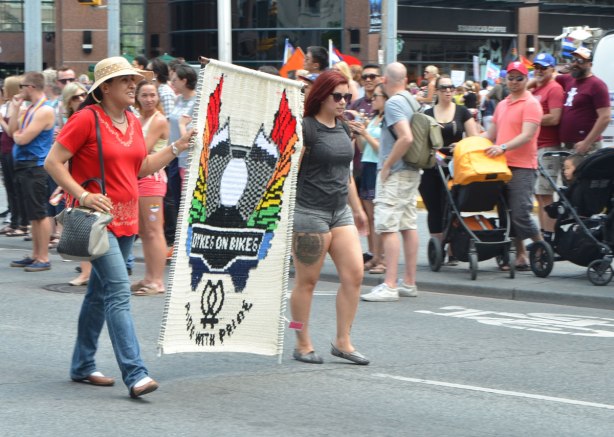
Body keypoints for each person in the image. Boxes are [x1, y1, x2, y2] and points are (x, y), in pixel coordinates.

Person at [44, 56, 194, 398]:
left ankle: (82, 365)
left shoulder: (129, 119)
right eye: (125, 80)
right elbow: (52, 162)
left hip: (127, 220)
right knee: (117, 292)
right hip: (97, 222)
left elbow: (139, 168)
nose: (134, 85)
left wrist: (176, 148)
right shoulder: (86, 119)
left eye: (134, 80)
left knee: (98, 294)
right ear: (105, 88)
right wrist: (82, 194)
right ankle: (136, 373)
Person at [291, 70, 369, 365]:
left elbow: (345, 174)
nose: (343, 101)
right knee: (306, 283)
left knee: (355, 275)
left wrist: (359, 209)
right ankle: (300, 340)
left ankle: (343, 341)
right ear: (322, 95)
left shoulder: (345, 128)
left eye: (347, 96)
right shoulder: (306, 128)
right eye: (338, 96)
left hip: (340, 212)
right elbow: (289, 171)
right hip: (309, 213)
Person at [360, 62, 421, 302]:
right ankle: (408, 282)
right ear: (405, 79)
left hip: (395, 171)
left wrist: (386, 166)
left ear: (384, 80)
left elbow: (406, 137)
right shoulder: (411, 100)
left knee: (387, 226)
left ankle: (390, 284)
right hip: (411, 170)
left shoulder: (394, 103)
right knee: (408, 224)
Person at [483, 61, 544, 271]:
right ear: (505, 79)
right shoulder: (502, 104)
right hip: (501, 166)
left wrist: (503, 147)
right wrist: (467, 142)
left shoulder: (532, 104)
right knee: (506, 214)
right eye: (511, 78)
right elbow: (490, 134)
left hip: (523, 166)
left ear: (527, 80)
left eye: (519, 78)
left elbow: (527, 135)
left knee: (520, 212)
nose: (515, 82)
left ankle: (540, 247)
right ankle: (520, 254)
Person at [419, 75, 479, 265]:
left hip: (455, 167)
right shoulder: (427, 114)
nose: (447, 91)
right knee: (434, 207)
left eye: (451, 88)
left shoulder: (462, 112)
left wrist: (460, 145)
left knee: (453, 206)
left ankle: (453, 248)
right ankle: (437, 248)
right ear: (436, 91)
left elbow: (474, 139)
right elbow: (421, 142)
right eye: (443, 88)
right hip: (432, 167)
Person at [7, 72, 55, 272]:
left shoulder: (44, 110)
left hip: (35, 166)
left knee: (39, 213)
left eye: (22, 86)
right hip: (25, 165)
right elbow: (12, 132)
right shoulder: (30, 109)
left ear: (31, 87)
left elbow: (22, 138)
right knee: (33, 214)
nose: (20, 90)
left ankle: (43, 257)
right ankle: (36, 254)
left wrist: (19, 135)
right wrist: (17, 110)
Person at [131, 80, 169, 296]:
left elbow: (141, 150)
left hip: (151, 180)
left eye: (152, 95)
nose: (149, 99)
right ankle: (149, 276)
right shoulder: (138, 118)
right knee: (145, 232)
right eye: (144, 95)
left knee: (154, 231)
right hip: (139, 178)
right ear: (137, 97)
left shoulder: (158, 120)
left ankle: (157, 281)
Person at [349, 83, 387, 274]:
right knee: (371, 217)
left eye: (377, 97)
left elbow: (382, 149)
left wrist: (365, 133)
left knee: (378, 217)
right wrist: (360, 132)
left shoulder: (387, 120)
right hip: (367, 165)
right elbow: (364, 149)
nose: (373, 100)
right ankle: (374, 254)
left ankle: (382, 257)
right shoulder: (374, 118)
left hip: (378, 168)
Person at [59, 82, 92, 286]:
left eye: (83, 95)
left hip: (88, 181)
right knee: (80, 228)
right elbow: (58, 160)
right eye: (75, 97)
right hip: (75, 182)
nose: (81, 99)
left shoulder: (88, 118)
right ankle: (86, 271)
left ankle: (88, 272)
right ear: (68, 102)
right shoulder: (71, 122)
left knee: (87, 228)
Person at [531, 52, 565, 244]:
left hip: (548, 148)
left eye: (544, 67)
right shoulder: (537, 88)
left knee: (546, 194)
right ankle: (543, 236)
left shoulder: (554, 89)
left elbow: (554, 117)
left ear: (552, 69)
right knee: (539, 194)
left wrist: (530, 119)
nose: (539, 71)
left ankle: (549, 236)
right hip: (535, 147)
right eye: (536, 67)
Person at [556, 47, 611, 155]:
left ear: (590, 65)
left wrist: (587, 142)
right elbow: (549, 77)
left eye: (581, 61)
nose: (576, 63)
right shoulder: (568, 79)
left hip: (586, 147)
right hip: (566, 145)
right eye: (574, 60)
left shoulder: (597, 85)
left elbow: (605, 117)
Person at [0, 76, 29, 237]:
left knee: (18, 189)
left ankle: (22, 223)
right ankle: (14, 221)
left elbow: (12, 131)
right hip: (5, 150)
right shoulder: (8, 106)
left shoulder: (20, 107)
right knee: (10, 188)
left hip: (14, 150)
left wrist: (1, 121)